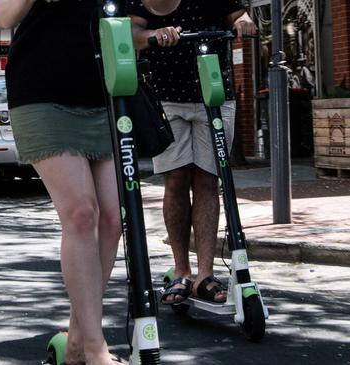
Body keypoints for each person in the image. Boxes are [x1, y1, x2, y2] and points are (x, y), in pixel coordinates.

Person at [0, 1, 124, 364]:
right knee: (82, 212)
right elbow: (1, 16)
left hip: (103, 91)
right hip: (42, 92)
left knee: (112, 220)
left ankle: (78, 342)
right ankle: (96, 349)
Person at [128, 0, 256, 305]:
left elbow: (240, 14)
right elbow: (131, 32)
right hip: (167, 97)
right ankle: (182, 271)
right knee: (176, 179)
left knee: (207, 181)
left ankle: (205, 275)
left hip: (214, 92)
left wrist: (244, 24)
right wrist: (156, 34)